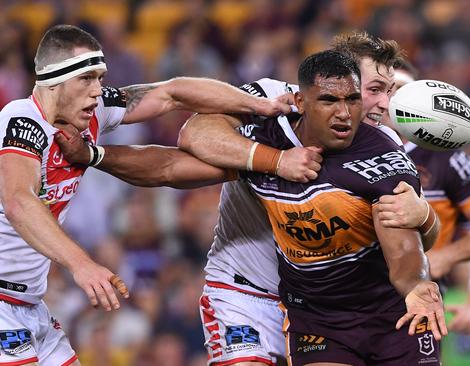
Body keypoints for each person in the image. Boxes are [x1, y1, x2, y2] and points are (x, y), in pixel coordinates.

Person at [57, 31, 440, 366]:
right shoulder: (271, 105)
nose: (383, 105)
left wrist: (425, 218)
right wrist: (276, 161)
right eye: (373, 90)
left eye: (388, 93)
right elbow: (191, 140)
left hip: (322, 308)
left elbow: (410, 248)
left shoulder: (385, 148)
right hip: (246, 291)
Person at [0, 24, 296, 366]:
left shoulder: (91, 115)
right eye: (87, 78)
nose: (98, 91)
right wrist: (82, 265)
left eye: (100, 78)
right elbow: (19, 201)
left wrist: (258, 105)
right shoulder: (22, 121)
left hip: (28, 304)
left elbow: (173, 93)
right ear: (54, 79)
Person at [379, 61, 470, 335]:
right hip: (352, 296)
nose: (392, 100)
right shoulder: (345, 147)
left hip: (421, 298)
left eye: (401, 90)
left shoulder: (445, 158)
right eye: (385, 90)